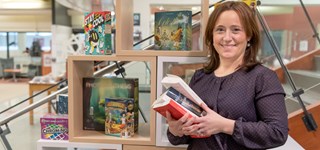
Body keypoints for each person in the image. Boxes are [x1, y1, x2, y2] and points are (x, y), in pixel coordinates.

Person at [165, 1, 288, 150]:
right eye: (220, 30)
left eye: (236, 30)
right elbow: (186, 135)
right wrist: (176, 130)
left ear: (249, 35)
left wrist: (225, 125)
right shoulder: (199, 77)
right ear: (212, 35)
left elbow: (277, 132)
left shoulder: (263, 77)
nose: (227, 37)